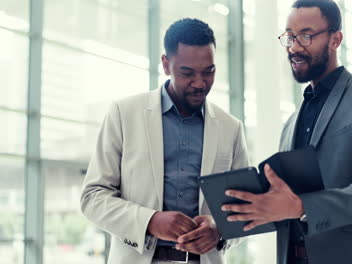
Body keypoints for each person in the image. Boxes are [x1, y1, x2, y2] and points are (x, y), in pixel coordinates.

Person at [221, 1, 352, 263]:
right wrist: (245, 210)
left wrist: (302, 207)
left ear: (335, 39)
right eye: (290, 37)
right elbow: (288, 203)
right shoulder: (291, 123)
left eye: (306, 36)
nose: (294, 47)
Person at [81, 18, 249, 264]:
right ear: (165, 64)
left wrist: (218, 228)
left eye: (209, 71)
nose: (200, 83)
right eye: (187, 73)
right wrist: (150, 221)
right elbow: (93, 197)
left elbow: (245, 207)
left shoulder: (231, 128)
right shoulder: (124, 113)